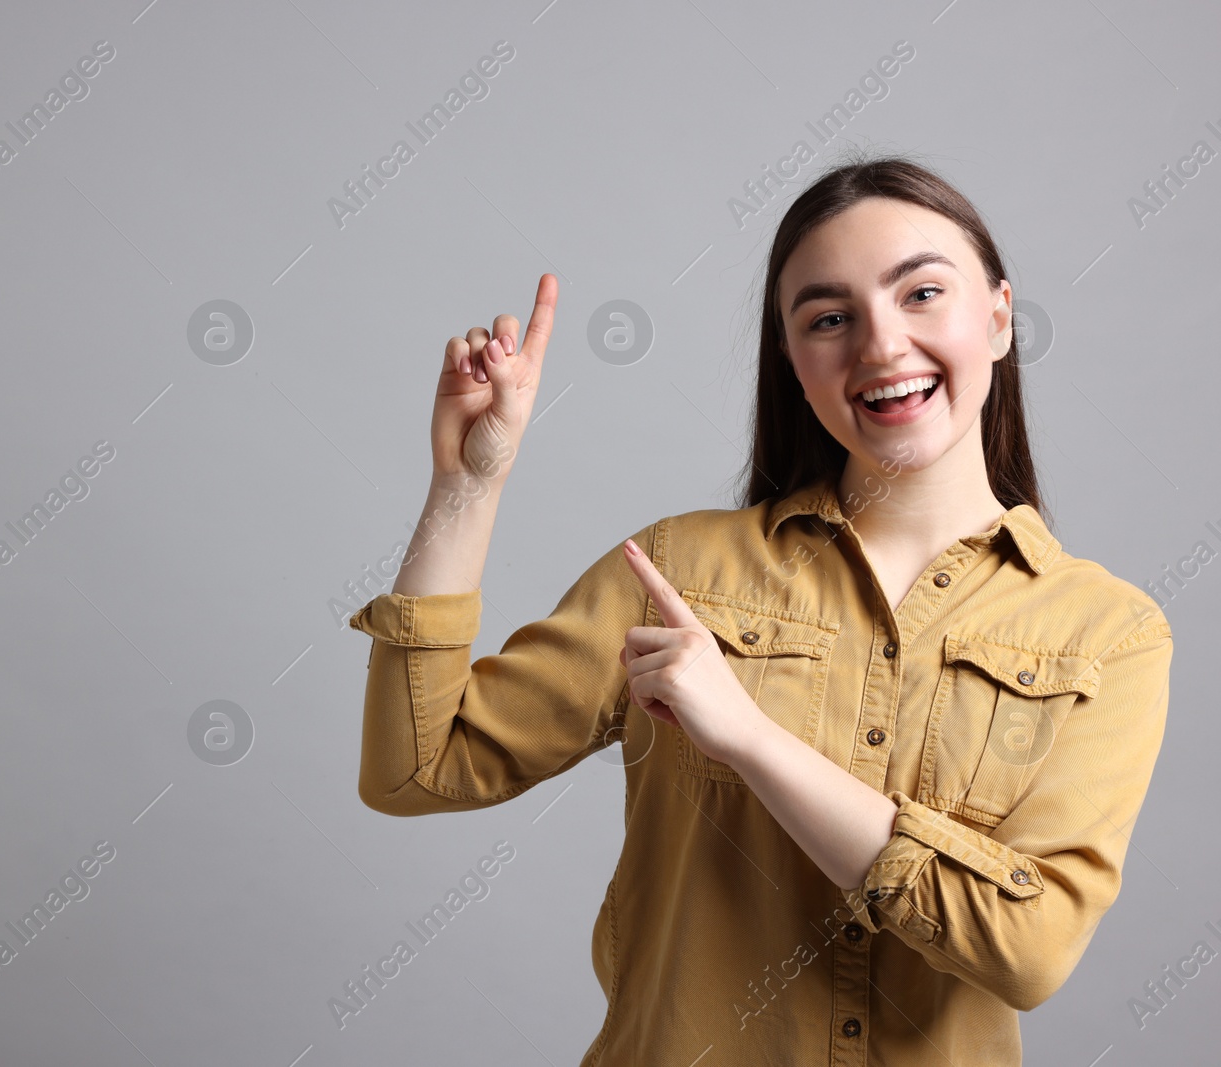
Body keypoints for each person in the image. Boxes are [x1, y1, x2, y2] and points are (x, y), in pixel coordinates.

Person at [347, 154, 1174, 1065]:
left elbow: (1030, 947)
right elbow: (415, 769)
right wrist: (466, 486)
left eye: (921, 294)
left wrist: (747, 735)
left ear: (1000, 317)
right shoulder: (676, 571)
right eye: (830, 317)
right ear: (793, 358)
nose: (882, 345)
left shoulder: (1107, 633)